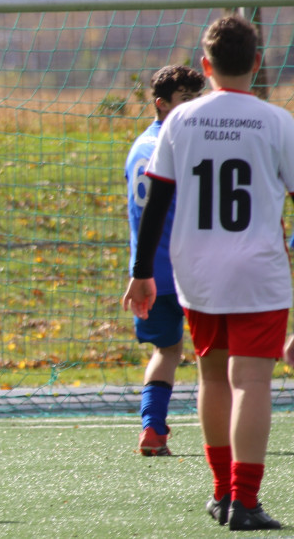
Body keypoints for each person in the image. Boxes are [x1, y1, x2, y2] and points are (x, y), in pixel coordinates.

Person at [122, 15, 293, 531]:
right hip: (257, 272)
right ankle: (246, 500)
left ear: (206, 65)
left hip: (196, 271)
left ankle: (221, 494)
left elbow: (157, 202)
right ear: (257, 63)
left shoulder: (179, 120)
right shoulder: (277, 122)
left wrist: (141, 272)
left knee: (212, 376)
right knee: (252, 382)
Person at [123, 64, 204, 456]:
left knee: (167, 351)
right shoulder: (185, 147)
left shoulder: (138, 147)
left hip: (149, 273)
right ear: (161, 103)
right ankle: (226, 436)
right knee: (215, 356)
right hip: (192, 270)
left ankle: (152, 429)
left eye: (197, 99)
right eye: (185, 100)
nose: (194, 107)